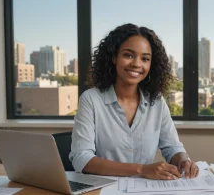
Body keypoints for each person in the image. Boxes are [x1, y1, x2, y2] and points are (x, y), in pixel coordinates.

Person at [69, 23, 198, 180]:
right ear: (114, 57)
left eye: (145, 58)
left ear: (152, 64)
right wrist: (141, 169)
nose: (137, 64)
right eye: (128, 55)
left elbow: (172, 147)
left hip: (145, 189)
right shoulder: (91, 100)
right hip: (104, 189)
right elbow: (81, 158)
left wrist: (183, 160)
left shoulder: (156, 102)